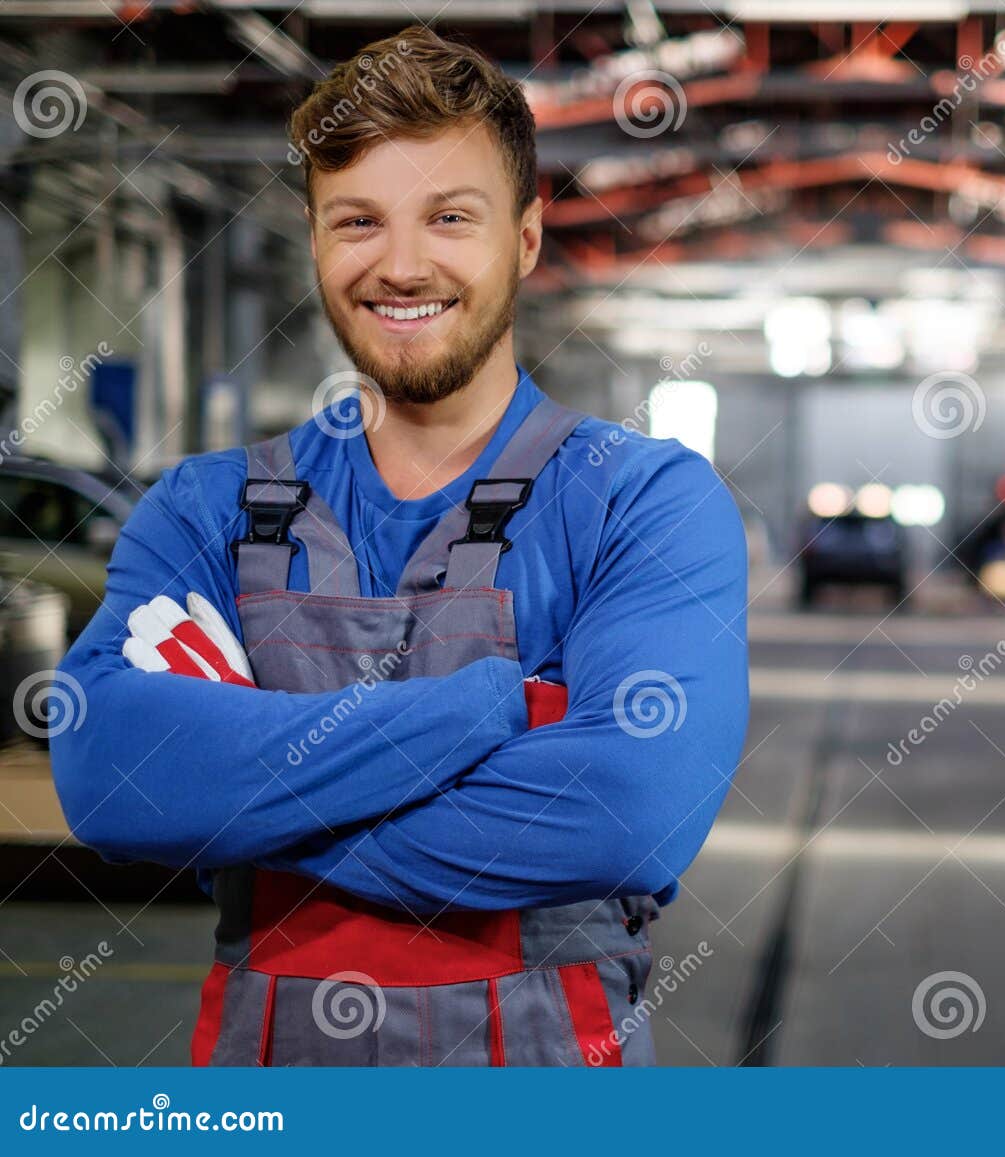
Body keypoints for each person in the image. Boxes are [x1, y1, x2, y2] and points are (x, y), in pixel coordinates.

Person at [50, 25, 748, 1067]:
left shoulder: (638, 502)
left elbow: (626, 810)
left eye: (450, 217)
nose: (403, 263)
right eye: (359, 220)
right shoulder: (207, 509)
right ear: (317, 237)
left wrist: (250, 797)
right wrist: (489, 709)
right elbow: (108, 773)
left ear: (523, 238)